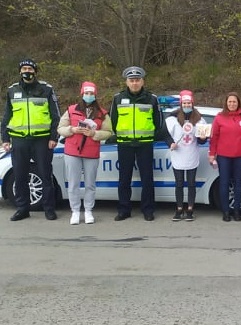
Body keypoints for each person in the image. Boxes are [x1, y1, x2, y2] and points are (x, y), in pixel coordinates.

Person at [1, 59, 61, 221]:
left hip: (41, 140)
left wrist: (53, 137)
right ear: (20, 71)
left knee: (45, 174)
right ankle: (23, 208)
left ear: (35, 71)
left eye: (29, 68)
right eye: (24, 68)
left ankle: (49, 208)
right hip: (19, 140)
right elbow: (7, 116)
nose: (26, 71)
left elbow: (56, 116)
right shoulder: (12, 90)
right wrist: (5, 138)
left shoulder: (46, 89)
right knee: (20, 176)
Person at [110, 66, 172, 222]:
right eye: (132, 80)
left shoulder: (152, 99)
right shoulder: (118, 98)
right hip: (125, 144)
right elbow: (113, 120)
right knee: (124, 180)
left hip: (145, 144)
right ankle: (124, 210)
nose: (135, 83)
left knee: (147, 179)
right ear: (127, 82)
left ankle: (148, 210)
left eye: (137, 80)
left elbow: (159, 123)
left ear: (143, 81)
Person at [57, 81, 114, 225]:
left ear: (95, 95)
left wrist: (94, 133)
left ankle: (88, 210)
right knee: (73, 183)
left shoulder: (102, 113)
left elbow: (108, 132)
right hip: (72, 151)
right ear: (82, 94)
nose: (89, 96)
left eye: (92, 93)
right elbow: (60, 128)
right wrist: (72, 130)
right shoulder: (71, 110)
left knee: (90, 184)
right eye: (86, 93)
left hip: (91, 151)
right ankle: (75, 211)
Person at [208, 92, 241, 222]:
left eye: (234, 102)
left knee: (239, 183)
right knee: (224, 183)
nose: (232, 104)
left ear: (238, 103)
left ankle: (237, 211)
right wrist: (212, 153)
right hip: (223, 156)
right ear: (226, 103)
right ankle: (226, 211)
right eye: (230, 102)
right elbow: (214, 137)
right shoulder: (219, 117)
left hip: (240, 156)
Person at [167, 90, 208, 222]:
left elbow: (202, 140)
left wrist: (203, 138)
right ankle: (179, 209)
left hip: (191, 154)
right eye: (184, 103)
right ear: (181, 104)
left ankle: (190, 209)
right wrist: (171, 143)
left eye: (188, 103)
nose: (186, 105)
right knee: (178, 183)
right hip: (178, 155)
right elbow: (164, 134)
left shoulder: (199, 119)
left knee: (191, 183)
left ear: (192, 103)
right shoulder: (172, 118)